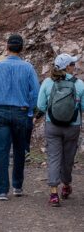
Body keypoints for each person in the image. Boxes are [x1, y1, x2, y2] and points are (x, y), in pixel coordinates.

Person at [0, 34, 40, 200]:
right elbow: (35, 92)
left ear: (7, 47)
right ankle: (17, 186)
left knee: (1, 150)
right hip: (20, 112)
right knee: (19, 150)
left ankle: (2, 191)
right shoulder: (28, 67)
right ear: (21, 48)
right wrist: (28, 108)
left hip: (0, 111)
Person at [37, 53, 84, 207]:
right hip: (72, 126)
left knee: (54, 157)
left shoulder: (48, 82)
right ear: (67, 67)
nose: (74, 66)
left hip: (52, 126)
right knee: (68, 158)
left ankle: (53, 194)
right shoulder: (79, 84)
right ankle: (66, 186)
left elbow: (41, 106)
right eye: (72, 64)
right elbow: (83, 107)